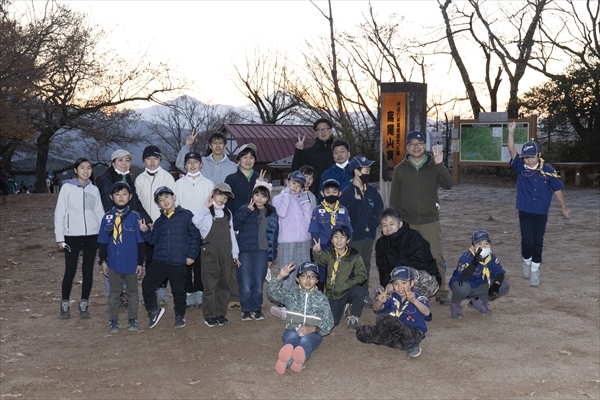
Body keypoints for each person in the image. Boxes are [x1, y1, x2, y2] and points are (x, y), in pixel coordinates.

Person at [389, 131, 453, 305]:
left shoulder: (434, 164)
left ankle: (441, 292)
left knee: (436, 256)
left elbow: (449, 185)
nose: (415, 147)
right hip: (407, 222)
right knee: (407, 258)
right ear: (407, 147)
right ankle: (407, 291)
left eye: (419, 143)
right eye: (411, 144)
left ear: (425, 146)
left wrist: (440, 165)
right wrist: (394, 222)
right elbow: (394, 197)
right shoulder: (400, 169)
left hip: (430, 220)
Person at [507, 121, 570, 287]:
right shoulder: (521, 168)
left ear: (539, 155)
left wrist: (563, 207)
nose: (528, 160)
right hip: (525, 210)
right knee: (527, 241)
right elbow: (512, 150)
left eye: (532, 156)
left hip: (541, 212)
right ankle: (526, 262)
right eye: (526, 157)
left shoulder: (548, 169)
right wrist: (511, 132)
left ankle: (535, 269)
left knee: (537, 241)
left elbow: (557, 190)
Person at [139, 186, 200, 329]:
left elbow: (195, 236)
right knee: (147, 284)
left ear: (174, 197)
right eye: (160, 200)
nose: (164, 201)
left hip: (178, 261)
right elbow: (153, 241)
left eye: (166, 197)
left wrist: (192, 255)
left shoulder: (186, 215)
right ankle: (153, 311)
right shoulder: (159, 221)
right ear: (158, 205)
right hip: (160, 260)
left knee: (178, 290)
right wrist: (146, 231)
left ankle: (180, 315)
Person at [54, 158, 105, 319]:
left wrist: (105, 234)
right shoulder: (67, 188)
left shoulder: (93, 189)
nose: (86, 171)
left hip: (92, 235)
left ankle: (84, 303)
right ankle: (64, 303)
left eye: (89, 168)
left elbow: (99, 212)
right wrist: (59, 237)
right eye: (82, 168)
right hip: (71, 235)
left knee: (87, 271)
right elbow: (59, 212)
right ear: (75, 170)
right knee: (70, 270)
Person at [266, 261, 334, 374]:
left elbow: (329, 322)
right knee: (292, 337)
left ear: (317, 281)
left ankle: (297, 360)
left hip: (313, 333)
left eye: (312, 277)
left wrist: (312, 329)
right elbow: (272, 294)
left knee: (306, 341)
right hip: (292, 329)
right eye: (304, 276)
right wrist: (280, 277)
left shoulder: (321, 299)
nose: (308, 280)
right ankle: (286, 357)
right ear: (297, 279)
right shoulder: (291, 294)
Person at [97, 182, 145, 333]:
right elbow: (102, 242)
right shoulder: (107, 218)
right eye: (117, 194)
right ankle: (113, 320)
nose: (121, 197)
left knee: (133, 293)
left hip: (131, 263)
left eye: (124, 194)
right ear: (111, 197)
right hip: (113, 264)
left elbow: (141, 242)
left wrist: (140, 263)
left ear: (130, 197)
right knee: (114, 293)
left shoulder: (135, 217)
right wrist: (102, 261)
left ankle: (133, 318)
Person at [356, 266, 432, 359]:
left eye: (404, 283)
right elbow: (377, 309)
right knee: (362, 332)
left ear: (412, 283)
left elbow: (427, 313)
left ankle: (409, 342)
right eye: (396, 283)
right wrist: (380, 302)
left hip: (414, 333)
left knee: (383, 319)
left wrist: (414, 301)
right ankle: (408, 345)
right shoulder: (393, 296)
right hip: (395, 331)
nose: (400, 287)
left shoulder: (418, 296)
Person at [192, 183, 240, 327]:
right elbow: (195, 221)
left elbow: (231, 234)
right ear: (213, 194)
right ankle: (209, 315)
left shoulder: (227, 213)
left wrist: (235, 253)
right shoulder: (206, 212)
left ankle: (220, 313)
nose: (222, 199)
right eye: (220, 195)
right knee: (210, 285)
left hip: (226, 253)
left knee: (224, 284)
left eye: (225, 197)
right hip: (210, 253)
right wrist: (205, 207)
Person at [173, 151, 215, 309]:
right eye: (189, 162)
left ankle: (199, 292)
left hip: (202, 229)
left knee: (200, 265)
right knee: (185, 264)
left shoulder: (208, 184)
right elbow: (175, 206)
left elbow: (210, 208)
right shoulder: (178, 184)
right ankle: (188, 294)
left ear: (201, 164)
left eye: (195, 162)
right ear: (184, 165)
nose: (192, 165)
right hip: (184, 230)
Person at [340, 156, 384, 306]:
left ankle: (364, 293)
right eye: (366, 170)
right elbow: (343, 215)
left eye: (369, 169)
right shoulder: (346, 192)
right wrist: (354, 201)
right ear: (356, 171)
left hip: (369, 235)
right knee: (352, 265)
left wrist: (371, 225)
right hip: (354, 236)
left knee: (365, 264)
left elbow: (379, 209)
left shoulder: (371, 190)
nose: (368, 172)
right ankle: (351, 295)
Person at [135, 145, 175, 305]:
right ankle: (149, 290)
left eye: (156, 158)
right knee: (148, 259)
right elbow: (137, 204)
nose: (152, 162)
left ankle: (161, 289)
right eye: (149, 158)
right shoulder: (139, 179)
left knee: (163, 258)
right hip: (145, 226)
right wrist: (146, 222)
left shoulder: (167, 178)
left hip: (163, 224)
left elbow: (172, 202)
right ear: (144, 160)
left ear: (160, 160)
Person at [270, 171, 313, 319]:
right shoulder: (278, 198)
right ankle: (284, 305)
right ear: (288, 181)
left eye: (299, 185)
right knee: (287, 272)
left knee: (303, 271)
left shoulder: (304, 198)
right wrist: (287, 194)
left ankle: (300, 304)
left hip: (304, 240)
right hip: (287, 240)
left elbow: (309, 220)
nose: (296, 187)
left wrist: (306, 202)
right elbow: (282, 213)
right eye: (294, 183)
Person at [233, 181, 278, 321]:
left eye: (263, 196)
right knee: (245, 282)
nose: (259, 198)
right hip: (245, 251)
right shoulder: (244, 208)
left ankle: (257, 308)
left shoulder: (272, 212)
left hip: (262, 251)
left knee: (258, 282)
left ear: (268, 198)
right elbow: (235, 224)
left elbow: (273, 234)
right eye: (257, 194)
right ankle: (246, 309)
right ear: (252, 195)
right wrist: (247, 211)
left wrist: (271, 256)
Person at [375, 207, 441, 298]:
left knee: (405, 272)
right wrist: (388, 283)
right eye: (384, 225)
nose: (388, 228)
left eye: (392, 224)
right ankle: (398, 302)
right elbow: (382, 267)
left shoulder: (413, 237)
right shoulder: (380, 244)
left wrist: (398, 270)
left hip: (425, 280)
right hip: (397, 282)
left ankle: (415, 298)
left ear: (400, 224)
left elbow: (422, 263)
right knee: (378, 294)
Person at [312, 225, 367, 331]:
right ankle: (344, 308)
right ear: (332, 240)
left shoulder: (354, 256)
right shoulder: (329, 254)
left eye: (342, 237)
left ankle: (353, 317)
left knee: (359, 292)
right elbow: (320, 260)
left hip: (346, 291)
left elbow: (362, 275)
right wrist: (317, 252)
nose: (339, 240)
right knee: (333, 322)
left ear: (348, 240)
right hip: (333, 295)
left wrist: (348, 283)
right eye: (336, 237)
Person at [449, 230, 510, 318]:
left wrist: (495, 286)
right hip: (466, 284)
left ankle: (477, 300)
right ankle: (455, 303)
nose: (483, 247)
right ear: (472, 247)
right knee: (462, 288)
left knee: (504, 285)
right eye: (479, 244)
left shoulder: (491, 257)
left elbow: (499, 272)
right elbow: (464, 277)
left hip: (481, 285)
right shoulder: (466, 257)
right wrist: (475, 261)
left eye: (486, 244)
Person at [291, 118, 335, 196]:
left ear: (330, 131)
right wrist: (299, 151)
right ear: (315, 133)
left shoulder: (337, 151)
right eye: (319, 129)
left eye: (326, 128)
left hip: (334, 193)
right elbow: (296, 170)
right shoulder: (309, 152)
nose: (323, 131)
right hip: (313, 193)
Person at [308, 178, 353, 253]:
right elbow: (314, 231)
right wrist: (315, 246)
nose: (331, 195)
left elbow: (349, 230)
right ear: (322, 193)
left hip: (340, 245)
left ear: (339, 193)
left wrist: (349, 246)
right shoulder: (317, 211)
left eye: (334, 192)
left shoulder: (344, 210)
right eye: (328, 192)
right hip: (323, 245)